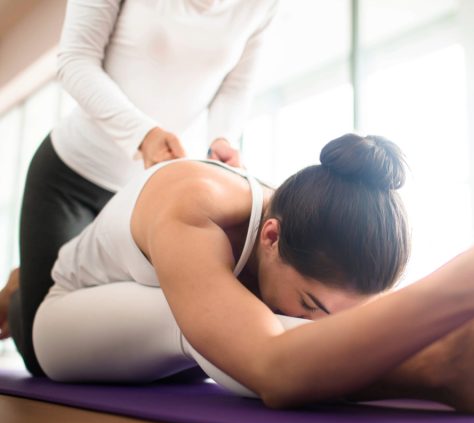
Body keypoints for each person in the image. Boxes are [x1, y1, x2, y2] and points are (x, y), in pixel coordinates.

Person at [2, 133, 474, 412]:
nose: (319, 321)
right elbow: (274, 369)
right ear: (269, 237)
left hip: (123, 279)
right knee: (209, 328)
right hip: (60, 320)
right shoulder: (192, 207)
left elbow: (325, 320)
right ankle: (452, 367)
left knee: (248, 319)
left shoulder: (309, 217)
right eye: (313, 302)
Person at [3, 0, 278, 375]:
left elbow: (234, 88)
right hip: (70, 177)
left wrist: (222, 142)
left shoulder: (262, 6)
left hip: (140, 195)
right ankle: (24, 287)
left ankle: (38, 272)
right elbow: (75, 61)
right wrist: (142, 134)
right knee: (41, 358)